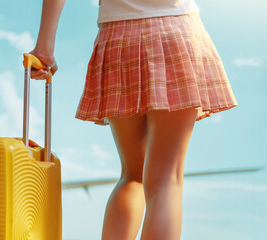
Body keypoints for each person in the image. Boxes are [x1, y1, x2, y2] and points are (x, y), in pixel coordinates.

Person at [29, 0, 238, 239]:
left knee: (132, 175)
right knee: (166, 179)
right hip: (176, 29)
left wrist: (44, 48)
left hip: (118, 38)